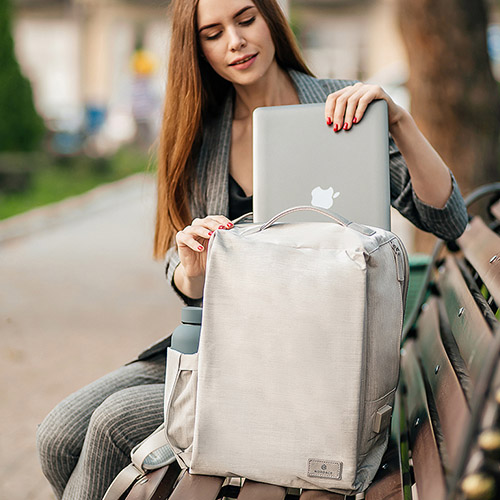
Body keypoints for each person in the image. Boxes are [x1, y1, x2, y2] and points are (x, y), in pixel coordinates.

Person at [36, 0, 468, 499]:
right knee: (57, 436)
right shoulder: (202, 129)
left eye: (245, 20)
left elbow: (448, 218)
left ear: (270, 20)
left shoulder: (339, 106)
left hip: (317, 358)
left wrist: (398, 121)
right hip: (220, 343)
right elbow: (185, 279)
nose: (235, 42)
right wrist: (193, 266)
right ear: (196, 48)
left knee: (113, 423)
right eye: (213, 33)